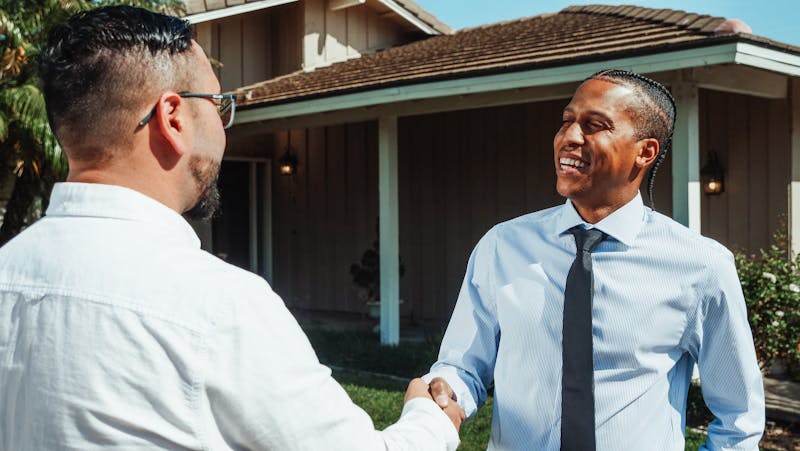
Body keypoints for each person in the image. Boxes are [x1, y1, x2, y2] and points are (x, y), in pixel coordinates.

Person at [0, 6, 463, 450]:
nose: (225, 127)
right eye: (220, 105)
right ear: (174, 117)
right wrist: (430, 419)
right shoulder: (219, 308)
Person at [425, 70, 765, 450]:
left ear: (645, 151)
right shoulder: (502, 246)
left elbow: (739, 419)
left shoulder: (702, 266)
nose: (569, 137)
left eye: (594, 126)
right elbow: (462, 367)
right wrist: (447, 392)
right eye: (567, 121)